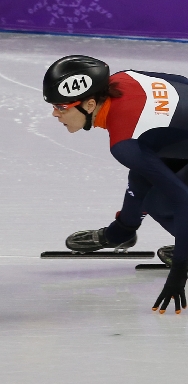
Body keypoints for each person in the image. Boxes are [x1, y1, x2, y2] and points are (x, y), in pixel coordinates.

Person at [44, 55, 188, 315]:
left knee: (160, 201)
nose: (55, 113)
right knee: (143, 174)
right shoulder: (124, 77)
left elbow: (183, 200)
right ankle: (122, 232)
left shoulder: (124, 142)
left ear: (89, 104)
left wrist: (180, 269)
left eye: (62, 107)